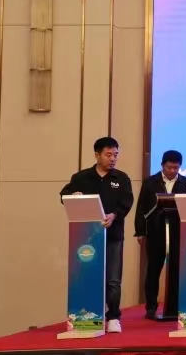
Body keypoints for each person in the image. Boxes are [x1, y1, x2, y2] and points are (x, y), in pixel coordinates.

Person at [60, 136, 133, 334]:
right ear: (97, 155)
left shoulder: (122, 178)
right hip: (86, 238)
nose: (113, 159)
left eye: (116, 155)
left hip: (113, 235)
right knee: (86, 276)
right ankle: (87, 316)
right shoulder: (81, 178)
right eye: (108, 155)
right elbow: (64, 196)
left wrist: (114, 215)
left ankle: (113, 317)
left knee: (113, 279)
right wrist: (72, 197)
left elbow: (127, 202)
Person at [135, 149, 186, 321]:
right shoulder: (150, 182)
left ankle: (174, 307)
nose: (172, 171)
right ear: (162, 165)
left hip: (178, 234)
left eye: (176, 168)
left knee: (176, 270)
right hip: (155, 233)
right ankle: (151, 307)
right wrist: (140, 232)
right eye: (169, 167)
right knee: (153, 270)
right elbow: (141, 208)